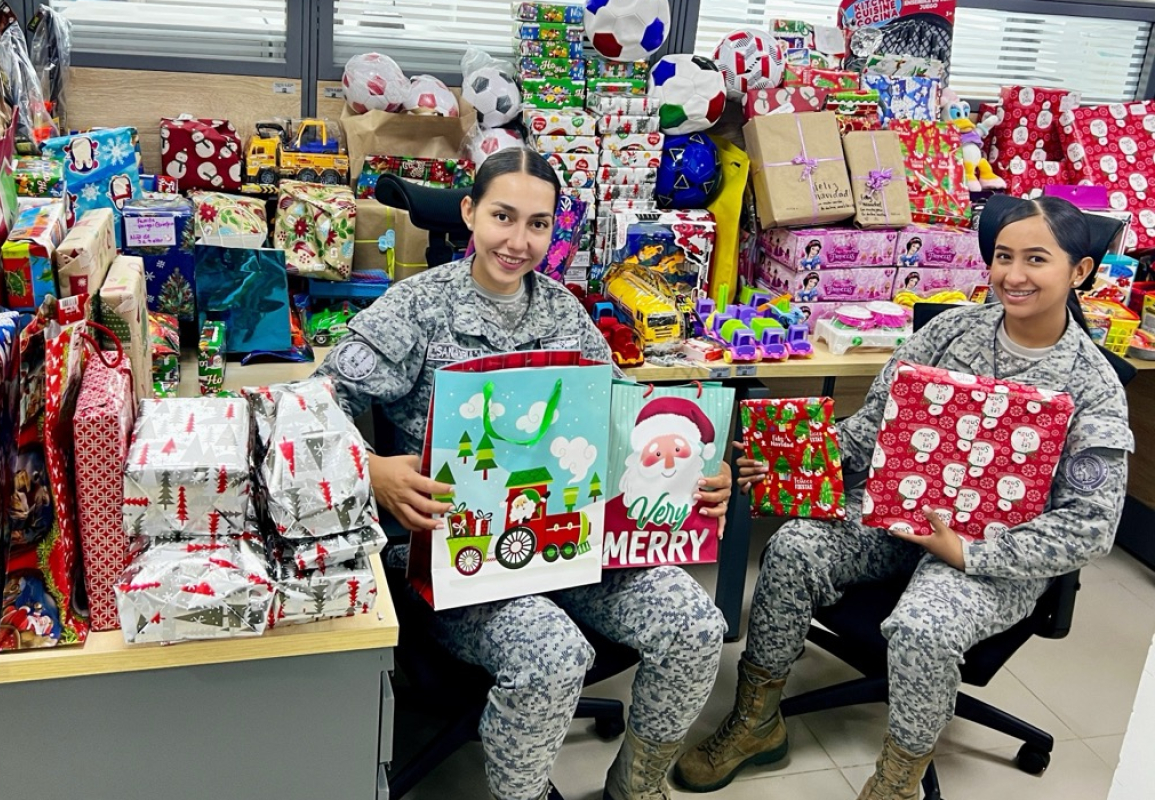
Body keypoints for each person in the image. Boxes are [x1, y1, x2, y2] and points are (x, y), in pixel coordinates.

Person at [673, 195, 1134, 800]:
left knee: (922, 625)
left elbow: (1089, 527)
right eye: (1002, 257)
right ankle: (756, 721)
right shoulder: (948, 332)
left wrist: (968, 554)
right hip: (899, 515)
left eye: (1036, 260)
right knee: (792, 548)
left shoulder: (1093, 386)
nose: (1013, 275)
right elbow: (868, 433)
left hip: (992, 552)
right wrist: (778, 463)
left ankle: (896, 782)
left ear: (1079, 271)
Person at [316, 147, 731, 800]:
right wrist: (370, 470)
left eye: (537, 224)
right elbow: (311, 408)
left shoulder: (564, 312)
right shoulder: (417, 307)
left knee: (697, 628)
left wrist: (695, 468)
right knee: (553, 655)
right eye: (503, 217)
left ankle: (638, 786)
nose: (518, 241)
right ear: (469, 214)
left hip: (569, 537)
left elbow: (626, 419)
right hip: (455, 554)